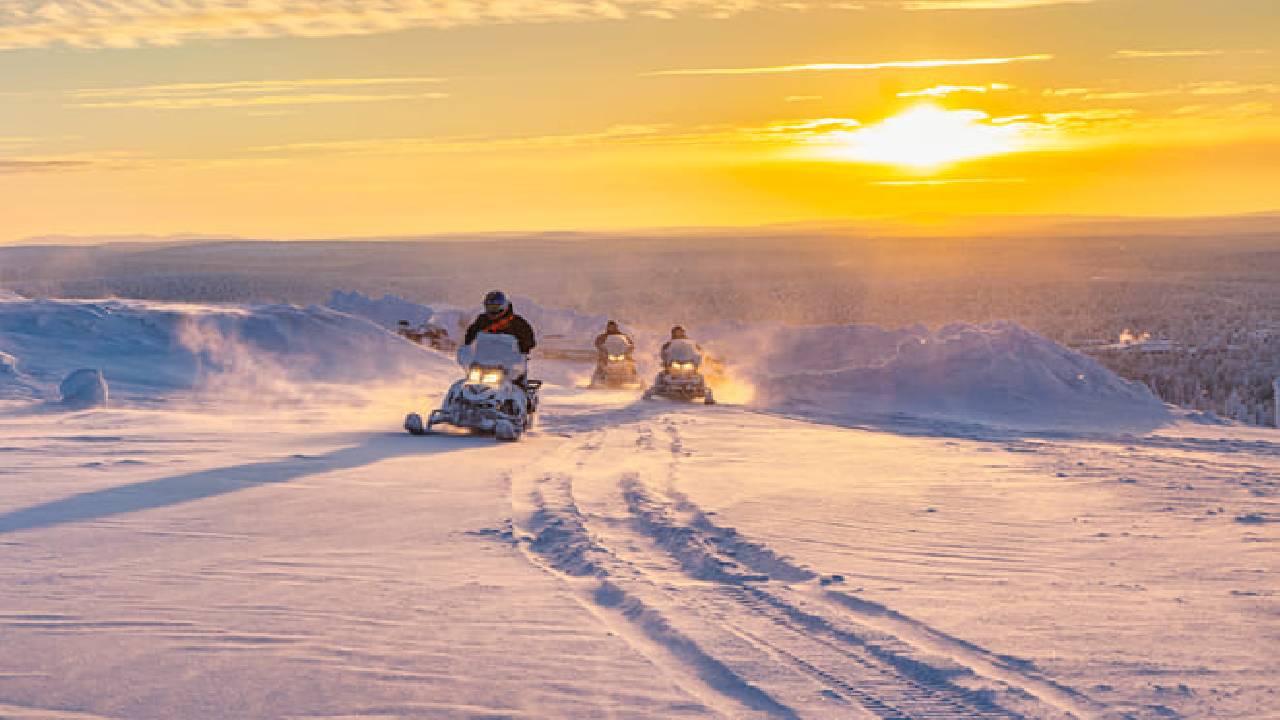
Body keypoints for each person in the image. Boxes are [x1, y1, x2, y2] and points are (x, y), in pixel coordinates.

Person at [464, 290, 536, 355]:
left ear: (504, 306)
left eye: (495, 307)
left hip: (510, 360)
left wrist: (521, 350)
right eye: (489, 307)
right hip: (484, 358)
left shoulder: (517, 322)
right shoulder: (482, 320)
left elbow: (529, 340)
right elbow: (470, 335)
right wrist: (468, 348)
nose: (492, 310)